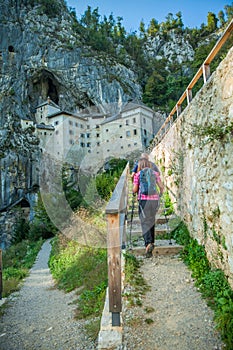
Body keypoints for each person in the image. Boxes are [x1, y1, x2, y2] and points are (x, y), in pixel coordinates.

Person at [133, 157, 164, 258]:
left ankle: (148, 243)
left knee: (145, 221)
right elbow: (161, 186)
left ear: (140, 165)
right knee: (151, 220)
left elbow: (134, 189)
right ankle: (152, 242)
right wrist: (160, 194)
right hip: (154, 200)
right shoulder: (155, 173)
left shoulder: (138, 174)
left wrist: (134, 191)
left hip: (143, 200)